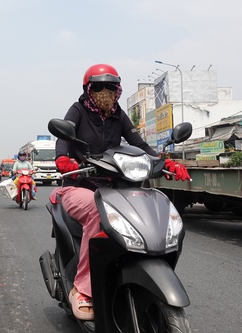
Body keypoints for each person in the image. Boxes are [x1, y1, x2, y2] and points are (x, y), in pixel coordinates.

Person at [49, 63, 191, 321]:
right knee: (96, 210)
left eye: (111, 86)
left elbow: (138, 143)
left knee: (148, 207)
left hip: (113, 186)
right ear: (89, 89)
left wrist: (164, 161)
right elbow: (64, 136)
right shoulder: (78, 109)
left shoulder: (119, 115)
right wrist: (63, 159)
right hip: (79, 184)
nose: (106, 91)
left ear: (118, 89)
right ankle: (83, 289)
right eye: (100, 86)